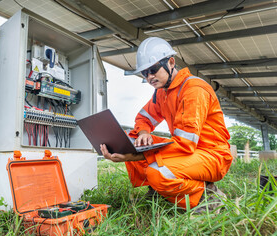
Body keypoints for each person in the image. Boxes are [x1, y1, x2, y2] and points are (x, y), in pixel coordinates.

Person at [100, 37, 233, 210]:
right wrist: (143, 134)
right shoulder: (162, 93)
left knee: (157, 171)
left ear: (171, 62)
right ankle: (161, 190)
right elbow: (143, 119)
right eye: (144, 73)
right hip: (189, 152)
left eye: (153, 69)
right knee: (131, 139)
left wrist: (135, 156)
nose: (149, 77)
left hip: (212, 155)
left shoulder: (193, 89)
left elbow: (185, 144)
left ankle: (208, 196)